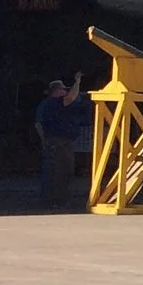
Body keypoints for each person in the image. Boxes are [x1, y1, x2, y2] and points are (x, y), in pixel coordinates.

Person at [34, 74, 91, 207]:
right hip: (59, 143)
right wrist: (77, 82)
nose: (65, 92)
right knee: (60, 172)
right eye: (63, 90)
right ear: (56, 91)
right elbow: (71, 97)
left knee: (55, 172)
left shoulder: (50, 104)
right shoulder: (55, 103)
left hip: (56, 142)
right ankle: (56, 201)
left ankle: (51, 201)